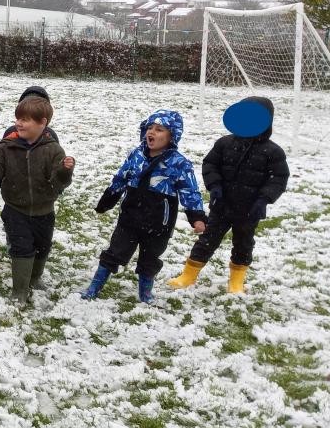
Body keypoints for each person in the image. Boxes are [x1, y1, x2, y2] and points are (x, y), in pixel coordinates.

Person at [81, 110, 207, 303]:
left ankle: (146, 294)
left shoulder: (179, 163)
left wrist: (196, 216)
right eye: (150, 128)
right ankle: (93, 288)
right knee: (114, 252)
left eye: (159, 129)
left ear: (172, 136)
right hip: (130, 217)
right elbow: (121, 178)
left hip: (159, 223)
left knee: (150, 259)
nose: (152, 132)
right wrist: (108, 199)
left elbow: (189, 190)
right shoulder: (136, 155)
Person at [167, 96, 289, 294]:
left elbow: (278, 178)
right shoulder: (225, 143)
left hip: (249, 210)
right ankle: (188, 275)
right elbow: (210, 164)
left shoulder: (273, 152)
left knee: (243, 244)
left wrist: (264, 199)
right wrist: (215, 186)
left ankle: (236, 281)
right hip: (222, 205)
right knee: (207, 240)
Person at [0, 91, 75, 305]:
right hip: (15, 209)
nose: (18, 123)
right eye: (17, 118)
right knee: (21, 248)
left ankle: (35, 279)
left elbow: (60, 182)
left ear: (42, 123)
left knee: (42, 247)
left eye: (25, 119)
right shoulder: (6, 146)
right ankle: (19, 290)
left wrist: (65, 171)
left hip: (44, 211)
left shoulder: (53, 150)